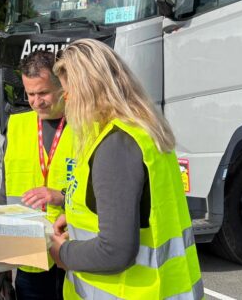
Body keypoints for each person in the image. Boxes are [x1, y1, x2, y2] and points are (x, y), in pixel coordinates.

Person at [50, 39, 203, 300]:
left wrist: (62, 253)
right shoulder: (141, 132)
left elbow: (116, 250)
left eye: (68, 92)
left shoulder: (116, 146)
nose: (67, 100)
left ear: (89, 90)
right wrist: (74, 219)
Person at [2, 50, 71, 299]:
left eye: (43, 93)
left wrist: (62, 197)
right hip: (28, 252)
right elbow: (4, 192)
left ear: (63, 86)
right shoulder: (17, 126)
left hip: (73, 250)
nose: (36, 101)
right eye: (30, 94)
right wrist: (1, 261)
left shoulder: (86, 125)